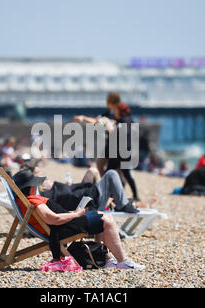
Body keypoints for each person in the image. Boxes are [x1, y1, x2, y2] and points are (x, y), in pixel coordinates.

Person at [12, 169, 145, 270]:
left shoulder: (26, 201)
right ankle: (123, 261)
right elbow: (52, 219)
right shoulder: (33, 201)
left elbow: (54, 216)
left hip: (64, 224)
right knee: (106, 220)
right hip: (63, 227)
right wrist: (76, 214)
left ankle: (107, 258)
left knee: (103, 215)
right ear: (31, 187)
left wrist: (73, 213)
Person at [41, 169, 140, 214]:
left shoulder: (55, 190)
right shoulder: (49, 195)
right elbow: (61, 210)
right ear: (44, 188)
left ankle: (122, 204)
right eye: (46, 181)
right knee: (111, 173)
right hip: (93, 202)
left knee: (107, 173)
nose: (48, 180)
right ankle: (123, 205)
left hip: (93, 194)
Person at [74, 92, 121, 176]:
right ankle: (107, 183)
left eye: (108, 100)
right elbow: (96, 121)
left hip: (118, 143)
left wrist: (108, 122)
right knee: (101, 166)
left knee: (116, 169)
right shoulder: (108, 112)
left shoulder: (119, 113)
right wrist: (83, 118)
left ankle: (112, 184)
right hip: (110, 143)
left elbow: (118, 123)